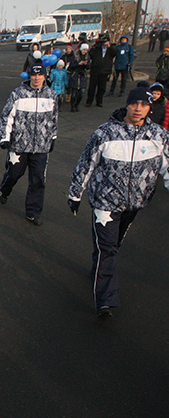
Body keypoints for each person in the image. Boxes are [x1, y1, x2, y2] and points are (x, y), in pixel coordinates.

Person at [68, 87, 169, 318]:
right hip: (105, 203)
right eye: (134, 104)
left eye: (143, 105)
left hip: (135, 203)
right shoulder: (106, 132)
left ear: (149, 108)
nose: (138, 109)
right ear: (127, 105)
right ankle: (105, 300)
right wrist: (75, 195)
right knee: (108, 249)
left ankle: (100, 267)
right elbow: (86, 164)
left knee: (112, 245)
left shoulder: (158, 136)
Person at [0, 60, 58, 226]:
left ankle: (33, 212)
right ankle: (5, 189)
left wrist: (53, 137)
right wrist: (5, 137)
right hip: (19, 145)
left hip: (41, 147)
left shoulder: (51, 96)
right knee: (14, 173)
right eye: (34, 74)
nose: (36, 78)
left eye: (40, 75)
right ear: (29, 75)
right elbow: (6, 116)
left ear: (45, 76)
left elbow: (53, 119)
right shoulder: (18, 93)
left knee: (38, 180)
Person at [86, 35, 118, 107]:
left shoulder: (111, 50)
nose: (104, 43)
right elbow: (91, 53)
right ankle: (89, 101)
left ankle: (99, 101)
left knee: (102, 88)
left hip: (105, 71)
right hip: (95, 70)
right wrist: (96, 45)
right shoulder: (97, 49)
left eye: (105, 41)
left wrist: (109, 46)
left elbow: (115, 52)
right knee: (92, 87)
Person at [69, 43, 91, 112]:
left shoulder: (87, 56)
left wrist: (86, 64)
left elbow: (89, 67)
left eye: (86, 50)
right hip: (75, 75)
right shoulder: (75, 56)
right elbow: (71, 66)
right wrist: (78, 64)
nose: (85, 51)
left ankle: (77, 104)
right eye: (84, 50)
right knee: (74, 93)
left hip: (82, 75)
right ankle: (72, 106)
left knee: (81, 93)